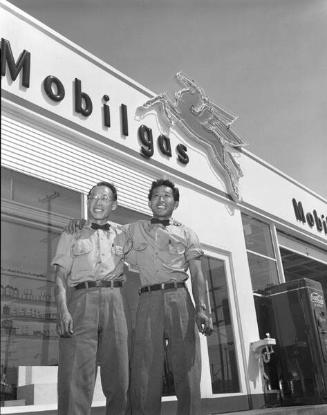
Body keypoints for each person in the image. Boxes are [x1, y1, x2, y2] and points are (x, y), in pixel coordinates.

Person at [66, 179, 213, 415]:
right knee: (145, 369)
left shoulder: (187, 233)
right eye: (155, 196)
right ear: (149, 202)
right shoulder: (133, 229)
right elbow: (101, 224)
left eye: (166, 196)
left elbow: (197, 273)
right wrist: (81, 223)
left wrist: (203, 308)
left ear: (175, 202)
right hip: (148, 299)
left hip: (179, 298)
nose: (161, 200)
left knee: (187, 366)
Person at [52, 181, 129, 415]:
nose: (97, 201)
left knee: (119, 374)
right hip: (81, 300)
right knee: (75, 373)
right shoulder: (72, 232)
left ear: (114, 204)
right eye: (93, 196)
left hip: (115, 300)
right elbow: (60, 275)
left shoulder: (124, 234)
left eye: (104, 197)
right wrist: (63, 310)